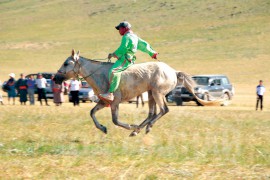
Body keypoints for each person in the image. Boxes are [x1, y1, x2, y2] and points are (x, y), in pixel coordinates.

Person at [99, 21, 158, 102]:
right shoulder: (134, 36)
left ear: (125, 28)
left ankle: (110, 94)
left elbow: (122, 49)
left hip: (125, 59)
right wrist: (152, 53)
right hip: (130, 58)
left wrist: (113, 54)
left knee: (114, 71)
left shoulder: (126, 37)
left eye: (119, 29)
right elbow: (144, 45)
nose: (119, 31)